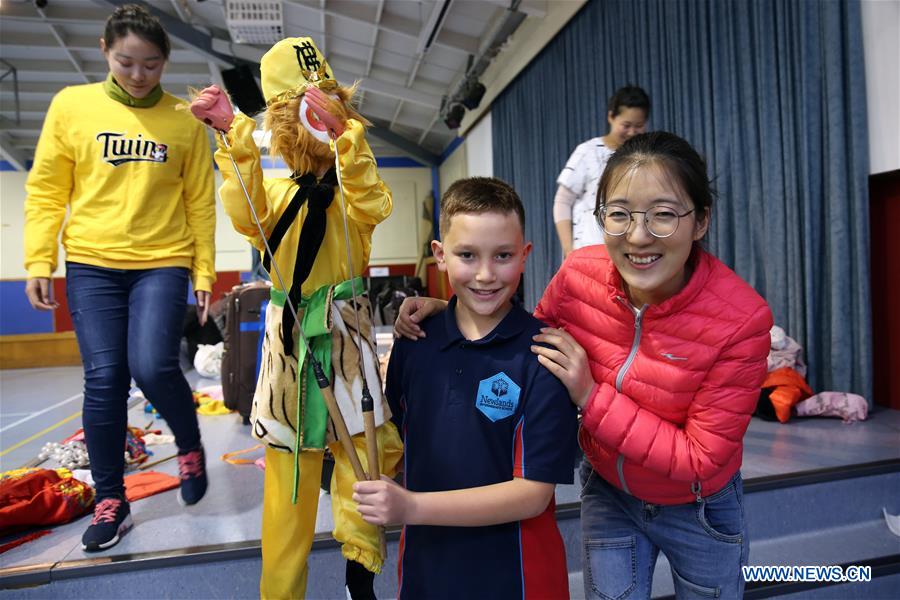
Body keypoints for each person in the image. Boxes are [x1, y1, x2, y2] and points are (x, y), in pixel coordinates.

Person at [395, 132, 773, 598]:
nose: (638, 236)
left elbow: (700, 457)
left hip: (698, 504)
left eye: (663, 214)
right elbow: (523, 332)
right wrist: (450, 308)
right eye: (619, 214)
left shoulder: (742, 320)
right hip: (610, 489)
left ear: (700, 221)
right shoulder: (578, 276)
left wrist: (592, 397)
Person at [191, 37, 403, 599]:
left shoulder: (355, 189)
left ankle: (362, 574)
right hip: (289, 352)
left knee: (364, 462)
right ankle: (280, 591)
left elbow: (375, 205)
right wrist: (230, 135)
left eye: (329, 101)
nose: (317, 118)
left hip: (348, 342)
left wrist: (347, 140)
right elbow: (244, 210)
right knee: (287, 482)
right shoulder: (277, 193)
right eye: (303, 109)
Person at [23, 4, 215, 552]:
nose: (138, 76)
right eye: (127, 62)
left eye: (151, 65)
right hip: (92, 261)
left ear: (165, 62)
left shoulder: (183, 120)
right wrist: (39, 259)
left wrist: (204, 270)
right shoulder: (72, 106)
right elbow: (45, 189)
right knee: (105, 380)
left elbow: (200, 202)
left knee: (153, 365)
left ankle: (189, 442)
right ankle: (112, 500)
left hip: (163, 257)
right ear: (106, 51)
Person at [354, 177, 578, 599]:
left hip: (516, 576)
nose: (485, 274)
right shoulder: (414, 342)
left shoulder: (544, 355)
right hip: (426, 570)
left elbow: (532, 494)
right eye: (467, 255)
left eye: (503, 256)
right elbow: (397, 445)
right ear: (440, 255)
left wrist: (410, 507)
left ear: (525, 256)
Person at [554, 85, 650, 255]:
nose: (632, 132)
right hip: (589, 250)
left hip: (629, 251)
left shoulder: (646, 157)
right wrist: (568, 249)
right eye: (626, 125)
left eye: (639, 126)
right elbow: (562, 202)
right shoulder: (588, 152)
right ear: (611, 117)